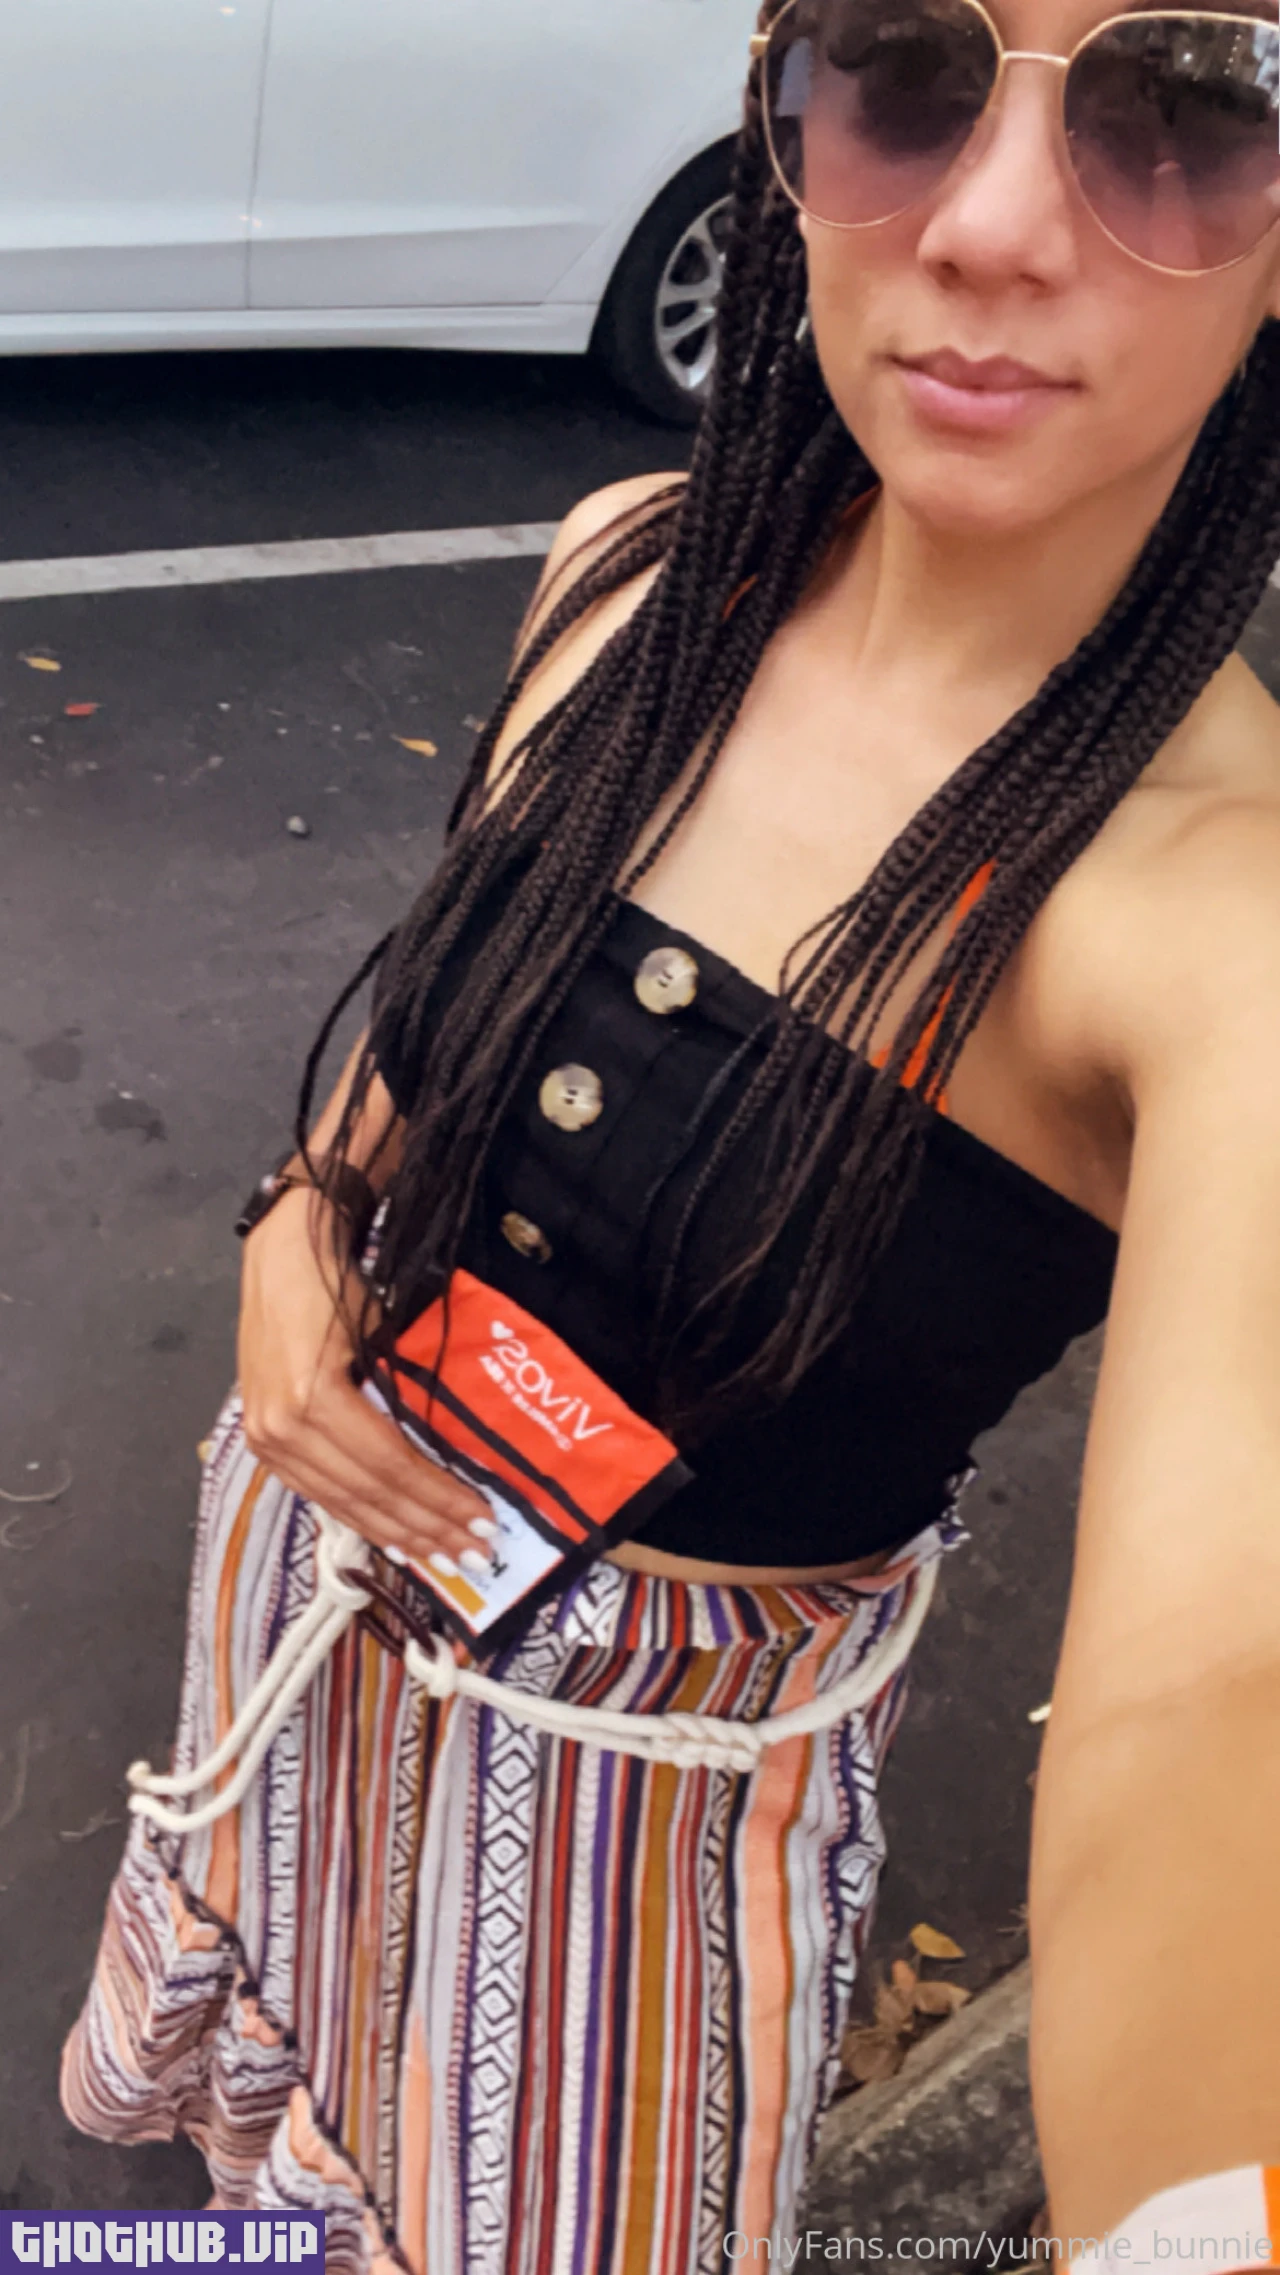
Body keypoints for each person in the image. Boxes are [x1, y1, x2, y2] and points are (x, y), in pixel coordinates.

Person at [61, 0, 1280, 2267]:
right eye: (907, 63)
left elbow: (1216, 1712)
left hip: (622, 1856)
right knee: (234, 2181)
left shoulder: (1219, 922)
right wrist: (303, 1207)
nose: (994, 225)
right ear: (787, 111)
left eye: (1190, 107)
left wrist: (1191, 2218)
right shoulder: (628, 567)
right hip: (304, 1593)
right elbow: (453, 1003)